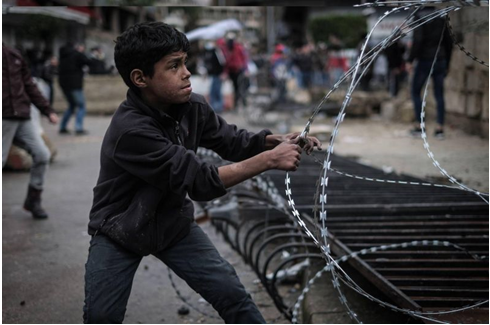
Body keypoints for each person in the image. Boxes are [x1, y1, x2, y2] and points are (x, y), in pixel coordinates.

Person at [83, 22, 321, 324]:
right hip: (120, 229)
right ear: (140, 78)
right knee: (101, 317)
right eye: (173, 66)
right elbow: (200, 181)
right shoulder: (130, 131)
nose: (187, 72)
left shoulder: (191, 106)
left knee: (232, 294)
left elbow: (231, 141)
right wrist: (269, 160)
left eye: (185, 62)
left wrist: (272, 140)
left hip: (171, 223)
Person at [2, 43, 59, 219]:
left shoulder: (14, 55)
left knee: (42, 154)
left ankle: (33, 200)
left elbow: (30, 86)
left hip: (22, 117)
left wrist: (47, 110)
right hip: (3, 118)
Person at [408, 12, 453, 139]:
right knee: (439, 94)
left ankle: (419, 126)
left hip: (424, 59)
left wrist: (410, 60)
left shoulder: (419, 16)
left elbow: (417, 40)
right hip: (440, 59)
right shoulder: (441, 16)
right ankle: (440, 128)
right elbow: (448, 42)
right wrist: (447, 62)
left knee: (416, 92)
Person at [58, 42, 91, 135]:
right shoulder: (76, 55)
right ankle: (78, 128)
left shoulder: (62, 56)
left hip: (64, 85)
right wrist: (80, 52)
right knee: (81, 106)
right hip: (75, 85)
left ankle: (62, 127)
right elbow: (88, 61)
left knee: (72, 106)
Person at [220, 32, 249, 110]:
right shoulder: (226, 49)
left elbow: (244, 58)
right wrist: (225, 72)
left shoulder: (238, 48)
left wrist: (246, 69)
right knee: (235, 88)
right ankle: (236, 104)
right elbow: (226, 62)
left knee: (241, 87)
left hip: (239, 70)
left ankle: (243, 102)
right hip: (231, 71)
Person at [203, 40, 226, 113]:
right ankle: (214, 108)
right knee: (213, 91)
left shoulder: (217, 52)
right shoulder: (210, 52)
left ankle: (218, 107)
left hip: (217, 75)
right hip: (213, 75)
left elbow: (222, 63)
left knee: (217, 91)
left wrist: (222, 73)